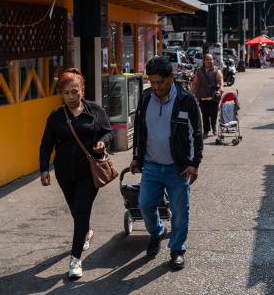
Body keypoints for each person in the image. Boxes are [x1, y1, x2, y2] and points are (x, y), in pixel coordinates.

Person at [39, 68, 113, 279]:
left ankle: (75, 259)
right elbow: (46, 145)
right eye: (65, 93)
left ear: (82, 89)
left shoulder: (95, 110)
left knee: (81, 212)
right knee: (76, 212)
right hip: (64, 174)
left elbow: (108, 132)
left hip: (89, 173)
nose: (71, 97)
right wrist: (44, 169)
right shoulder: (56, 116)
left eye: (74, 91)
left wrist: (103, 142)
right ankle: (86, 232)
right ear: (61, 94)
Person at [130, 56, 202, 270]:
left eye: (160, 82)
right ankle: (157, 232)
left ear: (171, 77)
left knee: (180, 211)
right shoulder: (145, 98)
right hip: (151, 164)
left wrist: (194, 162)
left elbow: (195, 133)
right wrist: (136, 156)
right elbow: (140, 131)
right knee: (144, 205)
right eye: (152, 82)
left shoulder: (186, 100)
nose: (156, 87)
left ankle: (177, 248)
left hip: (177, 168)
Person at [190, 53, 224, 138]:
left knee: (213, 113)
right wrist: (191, 94)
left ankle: (214, 127)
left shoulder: (216, 70)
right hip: (202, 96)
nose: (209, 61)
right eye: (207, 60)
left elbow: (221, 81)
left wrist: (221, 88)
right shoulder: (199, 71)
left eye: (211, 59)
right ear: (203, 61)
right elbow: (194, 83)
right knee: (204, 114)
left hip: (213, 96)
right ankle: (205, 131)